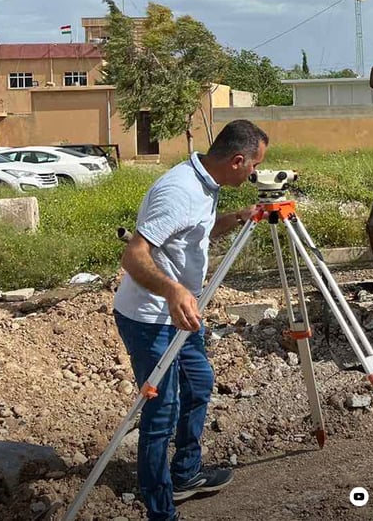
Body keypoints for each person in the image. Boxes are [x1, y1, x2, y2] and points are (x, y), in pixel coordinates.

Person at [113, 119, 269, 521]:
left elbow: (193, 233)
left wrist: (237, 217)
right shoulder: (179, 190)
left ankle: (185, 475)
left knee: (199, 384)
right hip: (151, 318)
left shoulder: (206, 186)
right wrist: (172, 291)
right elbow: (133, 255)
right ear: (237, 161)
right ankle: (160, 509)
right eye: (254, 166)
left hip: (181, 315)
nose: (255, 174)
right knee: (161, 410)